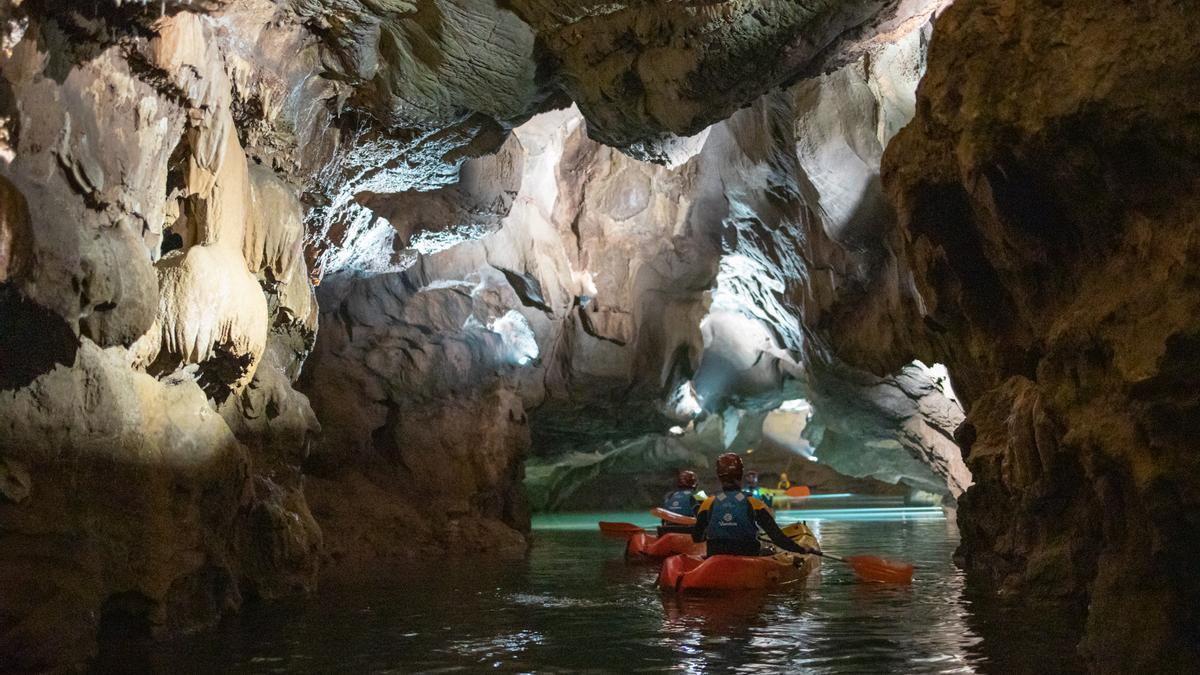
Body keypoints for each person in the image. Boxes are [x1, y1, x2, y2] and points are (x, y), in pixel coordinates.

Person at [692, 453, 814, 557]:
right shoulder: (753, 503)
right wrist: (801, 549)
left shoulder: (708, 503)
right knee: (771, 550)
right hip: (748, 556)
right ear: (741, 475)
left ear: (719, 476)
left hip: (715, 557)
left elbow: (697, 538)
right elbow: (777, 537)